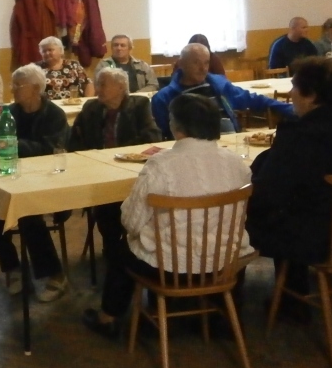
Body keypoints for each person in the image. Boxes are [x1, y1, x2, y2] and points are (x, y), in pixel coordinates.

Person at [82, 94, 252, 338]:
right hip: (223, 262)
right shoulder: (236, 163)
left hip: (170, 266)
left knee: (120, 250)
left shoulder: (161, 165)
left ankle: (108, 318)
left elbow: (131, 222)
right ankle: (222, 317)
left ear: (176, 125)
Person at [246, 57, 332, 320]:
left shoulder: (300, 135)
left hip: (317, 238)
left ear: (311, 95)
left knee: (251, 216)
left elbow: (268, 192)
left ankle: (285, 301)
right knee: (300, 205)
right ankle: (292, 297)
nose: (291, 93)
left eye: (295, 87)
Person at [0, 64, 71, 302]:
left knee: (26, 210)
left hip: (48, 180)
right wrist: (7, 151)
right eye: (13, 84)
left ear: (36, 88)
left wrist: (14, 145)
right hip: (13, 177)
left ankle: (54, 274)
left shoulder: (54, 115)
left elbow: (52, 150)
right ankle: (13, 267)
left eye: (18, 85)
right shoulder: (9, 112)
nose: (13, 89)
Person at [68, 66, 162, 253]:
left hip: (132, 171)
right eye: (97, 84)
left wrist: (120, 153)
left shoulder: (139, 105)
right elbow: (74, 141)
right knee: (107, 209)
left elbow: (153, 136)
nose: (98, 89)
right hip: (99, 173)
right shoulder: (91, 108)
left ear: (121, 87)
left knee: (134, 205)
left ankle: (127, 251)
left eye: (103, 84)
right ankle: (115, 251)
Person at [152, 43, 291, 139]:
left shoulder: (219, 85)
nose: (203, 68)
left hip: (230, 143)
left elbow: (253, 99)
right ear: (181, 64)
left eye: (206, 63)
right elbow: (163, 136)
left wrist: (290, 109)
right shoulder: (165, 98)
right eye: (196, 62)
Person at [36, 36, 95, 100]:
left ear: (61, 51)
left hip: (74, 103)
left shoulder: (73, 65)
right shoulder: (36, 68)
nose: (47, 53)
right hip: (48, 105)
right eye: (44, 51)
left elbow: (88, 83)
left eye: (50, 50)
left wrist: (87, 101)